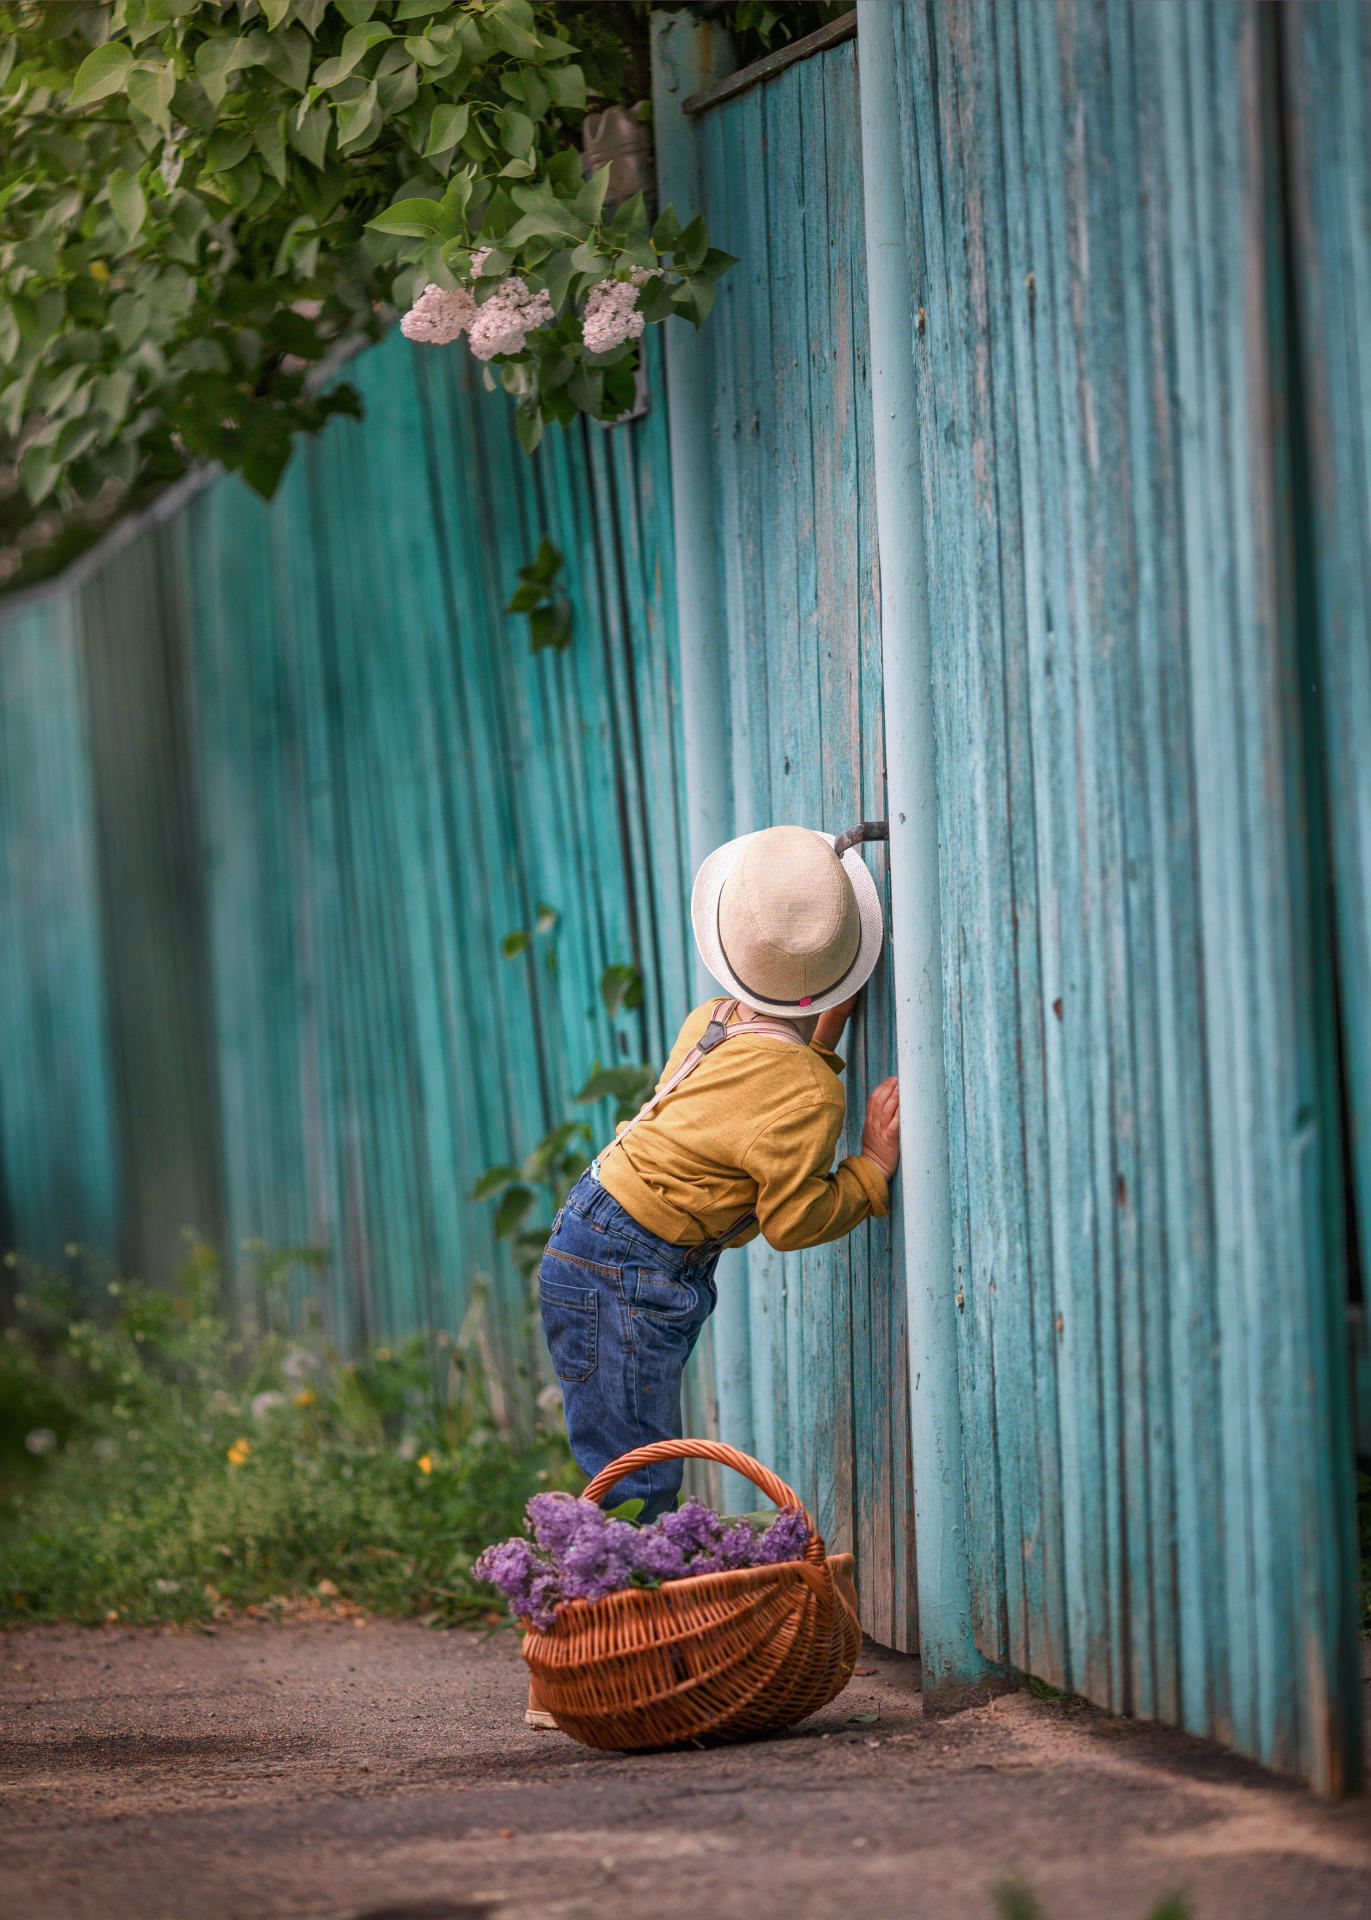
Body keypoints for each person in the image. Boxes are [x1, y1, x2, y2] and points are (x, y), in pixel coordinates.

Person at [538, 822, 900, 1523]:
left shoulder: (714, 1018)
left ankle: (620, 1601)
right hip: (629, 1268)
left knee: (623, 1458)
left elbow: (747, 1110)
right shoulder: (809, 1093)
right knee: (636, 1482)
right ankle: (636, 1620)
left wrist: (822, 1035)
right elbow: (792, 1221)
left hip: (592, 1230)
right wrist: (870, 1168)